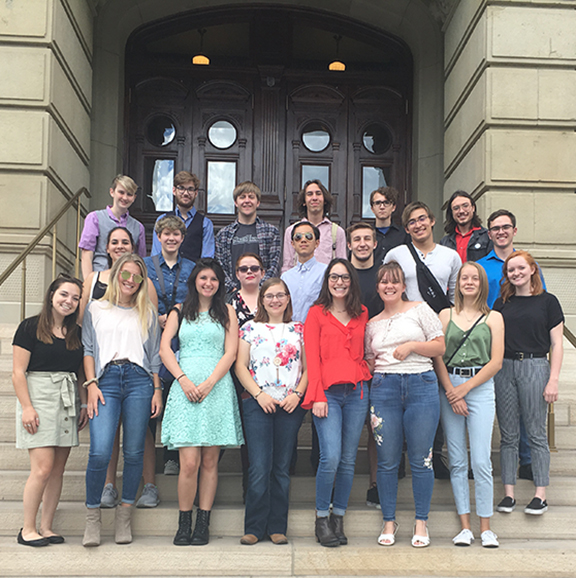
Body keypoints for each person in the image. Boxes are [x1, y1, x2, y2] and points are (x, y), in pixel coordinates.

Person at [160, 258, 244, 546]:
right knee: (189, 462)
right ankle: (184, 522)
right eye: (203, 278)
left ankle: (203, 523)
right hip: (185, 386)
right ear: (194, 280)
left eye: (214, 279)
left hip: (216, 387)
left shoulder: (228, 312)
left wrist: (210, 383)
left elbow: (230, 353)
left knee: (210, 460)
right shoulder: (179, 311)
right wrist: (183, 379)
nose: (209, 283)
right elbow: (165, 349)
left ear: (220, 284)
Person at [82, 254, 162, 547]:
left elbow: (154, 355)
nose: (130, 281)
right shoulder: (96, 308)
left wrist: (157, 390)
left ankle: (124, 515)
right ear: (115, 275)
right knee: (100, 451)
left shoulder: (147, 312)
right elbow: (88, 349)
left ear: (142, 282)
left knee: (133, 451)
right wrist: (91, 384)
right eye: (125, 274)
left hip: (140, 381)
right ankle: (93, 519)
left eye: (137, 277)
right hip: (105, 381)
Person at [365, 261, 445, 548]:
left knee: (421, 459)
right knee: (387, 461)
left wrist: (412, 346)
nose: (389, 286)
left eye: (395, 281)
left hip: (420, 385)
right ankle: (389, 520)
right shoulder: (371, 323)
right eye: (384, 282)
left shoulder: (420, 309)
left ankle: (421, 521)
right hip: (384, 388)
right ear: (378, 287)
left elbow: (439, 346)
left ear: (403, 286)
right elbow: (369, 360)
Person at [385, 201, 460, 478]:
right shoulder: (397, 253)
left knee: (435, 392)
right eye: (412, 222)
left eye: (422, 219)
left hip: (435, 330)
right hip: (403, 331)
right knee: (400, 392)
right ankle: (401, 455)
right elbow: (388, 285)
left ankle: (434, 453)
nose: (418, 225)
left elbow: (453, 298)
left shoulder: (451, 257)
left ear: (432, 221)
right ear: (407, 229)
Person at [12, 275, 87, 547]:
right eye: (64, 294)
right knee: (42, 468)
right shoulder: (30, 327)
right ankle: (27, 528)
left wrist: (82, 403)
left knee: (57, 470)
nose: (69, 301)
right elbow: (18, 372)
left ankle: (46, 526)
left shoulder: (75, 332)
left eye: (75, 297)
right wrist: (27, 407)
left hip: (67, 397)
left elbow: (78, 372)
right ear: (51, 295)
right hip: (39, 396)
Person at [434, 262, 504, 548]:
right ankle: (465, 526)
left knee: (480, 460)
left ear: (482, 283)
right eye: (465, 277)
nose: (469, 282)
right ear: (457, 283)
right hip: (449, 386)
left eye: (475, 278)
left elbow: (496, 361)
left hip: (480, 386)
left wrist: (465, 389)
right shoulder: (445, 314)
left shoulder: (494, 318)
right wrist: (452, 391)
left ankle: (486, 527)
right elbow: (438, 355)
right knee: (458, 460)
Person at [302, 259, 371, 548]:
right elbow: (312, 358)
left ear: (351, 281)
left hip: (356, 393)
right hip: (327, 393)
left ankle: (338, 517)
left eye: (344, 277)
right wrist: (316, 394)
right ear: (327, 281)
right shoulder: (316, 313)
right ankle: (321, 517)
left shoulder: (362, 312)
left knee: (348, 459)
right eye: (333, 277)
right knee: (330, 457)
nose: (339, 282)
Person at [235, 278, 308, 545]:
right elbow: (240, 366)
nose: (275, 300)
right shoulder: (249, 328)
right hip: (257, 401)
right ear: (262, 300)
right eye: (269, 296)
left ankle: (277, 526)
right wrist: (258, 394)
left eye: (280, 295)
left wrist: (297, 394)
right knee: (259, 466)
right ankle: (254, 527)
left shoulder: (299, 330)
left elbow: (309, 368)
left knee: (281, 466)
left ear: (288, 298)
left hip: (289, 404)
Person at [493, 250, 564, 516]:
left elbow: (557, 344)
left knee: (535, 433)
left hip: (535, 366)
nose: (516, 273)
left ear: (533, 269)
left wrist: (553, 379)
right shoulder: (501, 304)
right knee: (508, 435)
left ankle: (540, 494)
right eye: (511, 270)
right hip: (505, 368)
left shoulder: (548, 302)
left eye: (521, 268)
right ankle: (509, 493)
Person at [478, 209, 547, 479]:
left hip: (525, 346)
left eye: (505, 227)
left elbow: (540, 298)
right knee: (501, 406)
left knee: (527, 408)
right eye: (495, 228)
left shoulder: (529, 263)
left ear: (514, 231)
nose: (501, 232)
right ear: (489, 233)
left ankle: (528, 460)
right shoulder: (483, 266)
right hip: (493, 344)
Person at [141, 215, 196, 493]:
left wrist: (175, 319)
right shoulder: (146, 266)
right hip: (152, 337)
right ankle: (150, 455)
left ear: (182, 238)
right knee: (154, 396)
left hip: (180, 339)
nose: (171, 238)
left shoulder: (192, 268)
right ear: (159, 237)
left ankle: (173, 454)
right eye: (166, 234)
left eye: (176, 235)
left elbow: (197, 299)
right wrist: (158, 317)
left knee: (177, 397)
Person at [215, 181, 281, 292]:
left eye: (251, 197)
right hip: (232, 294)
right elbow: (220, 266)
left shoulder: (271, 232)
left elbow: (274, 264)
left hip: (262, 294)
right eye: (242, 197)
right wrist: (233, 289)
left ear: (258, 202)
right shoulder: (223, 234)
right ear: (236, 202)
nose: (247, 201)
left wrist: (261, 287)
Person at [79, 175, 146, 279]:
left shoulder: (138, 227)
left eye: (129, 194)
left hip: (127, 281)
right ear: (112, 192)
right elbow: (86, 254)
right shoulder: (95, 218)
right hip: (100, 277)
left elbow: (140, 259)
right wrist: (89, 284)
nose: (125, 197)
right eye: (121, 192)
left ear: (134, 198)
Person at [281, 180, 346, 272]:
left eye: (318, 194)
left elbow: (342, 266)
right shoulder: (291, 231)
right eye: (309, 194)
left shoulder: (337, 232)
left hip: (326, 284)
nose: (314, 198)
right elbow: (287, 265)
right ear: (304, 201)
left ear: (325, 200)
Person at [151, 171, 215, 261]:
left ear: (196, 193)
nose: (185, 193)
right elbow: (156, 256)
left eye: (190, 189)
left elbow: (207, 260)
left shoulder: (205, 224)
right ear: (174, 191)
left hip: (193, 274)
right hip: (165, 273)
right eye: (181, 188)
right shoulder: (162, 219)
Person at [281, 221, 327, 323]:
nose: (303, 240)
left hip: (316, 331)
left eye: (308, 236)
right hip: (289, 332)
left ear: (317, 243)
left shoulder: (326, 272)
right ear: (292, 244)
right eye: (298, 237)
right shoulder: (286, 277)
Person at [440, 190, 492, 263]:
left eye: (465, 206)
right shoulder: (445, 242)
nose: (461, 211)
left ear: (473, 208)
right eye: (456, 208)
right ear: (451, 213)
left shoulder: (487, 237)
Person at [369, 187, 407, 266]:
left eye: (386, 202)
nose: (382, 207)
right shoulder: (366, 235)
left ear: (393, 207)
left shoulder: (404, 234)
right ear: (372, 208)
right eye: (378, 203)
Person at [227, 253, 264, 328]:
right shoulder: (227, 301)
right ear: (237, 275)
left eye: (254, 268)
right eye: (244, 269)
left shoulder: (272, 299)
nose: (249, 272)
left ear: (262, 273)